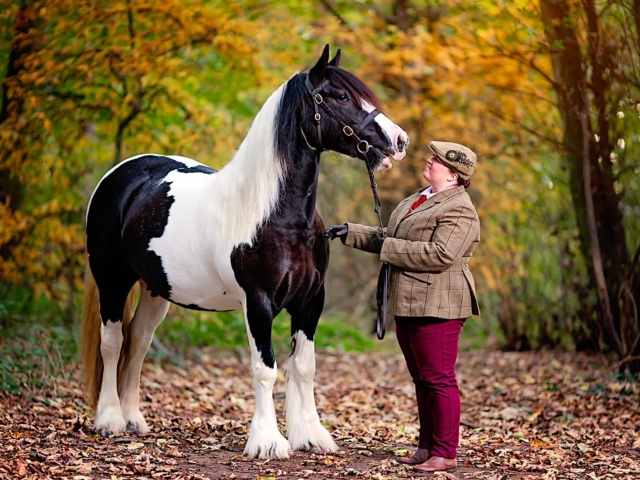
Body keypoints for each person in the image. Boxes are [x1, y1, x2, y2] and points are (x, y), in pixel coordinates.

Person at [325, 141, 480, 474]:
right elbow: (390, 237)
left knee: (439, 380)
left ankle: (445, 452)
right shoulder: (420, 198)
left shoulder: (460, 209)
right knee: (422, 379)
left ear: (453, 176)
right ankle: (427, 447)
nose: (429, 161)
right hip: (409, 302)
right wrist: (350, 232)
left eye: (436, 161)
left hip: (439, 305)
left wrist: (387, 247)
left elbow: (440, 254)